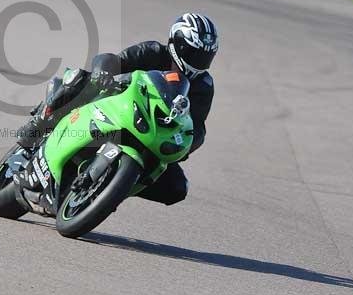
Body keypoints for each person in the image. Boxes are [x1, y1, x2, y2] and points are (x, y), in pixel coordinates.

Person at [15, 12, 219, 207]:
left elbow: (197, 127)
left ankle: (111, 188)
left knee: (177, 188)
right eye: (193, 53)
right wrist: (104, 73)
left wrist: (186, 147)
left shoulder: (203, 86)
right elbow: (112, 60)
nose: (198, 61)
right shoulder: (153, 51)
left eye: (204, 56)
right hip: (115, 105)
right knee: (80, 79)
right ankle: (39, 123)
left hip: (152, 135)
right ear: (178, 45)